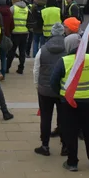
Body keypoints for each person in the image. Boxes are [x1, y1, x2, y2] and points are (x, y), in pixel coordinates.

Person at [51, 33, 89, 171]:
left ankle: (72, 162)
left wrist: (61, 94)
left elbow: (53, 82)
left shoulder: (64, 61)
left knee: (70, 132)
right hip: (87, 100)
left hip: (68, 101)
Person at [33, 22, 67, 156]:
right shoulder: (67, 48)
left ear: (51, 33)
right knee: (64, 117)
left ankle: (45, 145)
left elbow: (36, 69)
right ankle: (65, 146)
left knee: (46, 118)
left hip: (45, 89)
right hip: (62, 89)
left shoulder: (43, 49)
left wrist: (37, 85)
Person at [9, 0, 32, 74]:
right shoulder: (26, 8)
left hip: (15, 33)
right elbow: (30, 20)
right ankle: (21, 68)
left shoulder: (13, 8)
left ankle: (7, 67)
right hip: (25, 33)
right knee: (22, 51)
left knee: (12, 51)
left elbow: (9, 20)